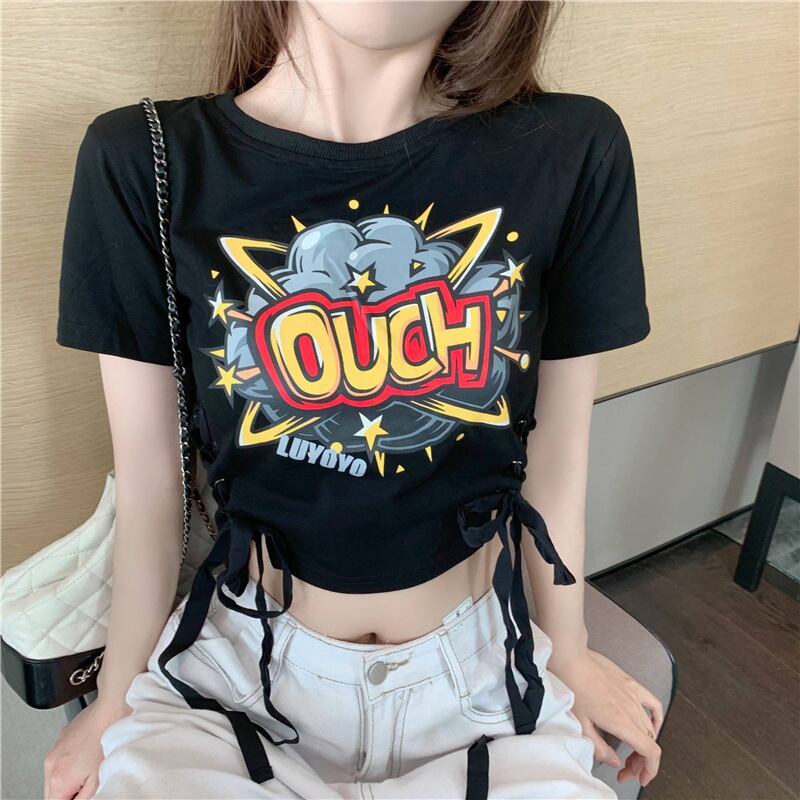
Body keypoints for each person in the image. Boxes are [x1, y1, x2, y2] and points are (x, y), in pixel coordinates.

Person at [45, 1, 663, 798]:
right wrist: (118, 695)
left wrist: (568, 650)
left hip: (484, 676)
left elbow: (557, 463)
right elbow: (149, 486)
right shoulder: (145, 159)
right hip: (236, 679)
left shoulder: (572, 149)